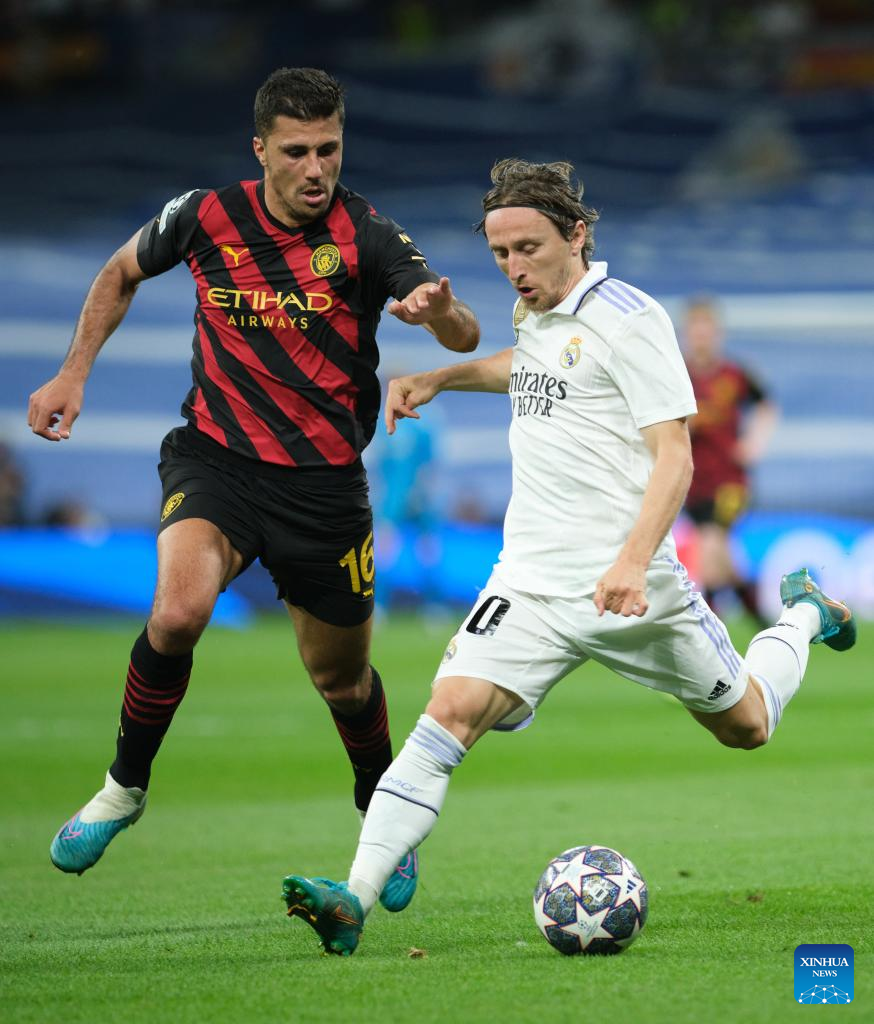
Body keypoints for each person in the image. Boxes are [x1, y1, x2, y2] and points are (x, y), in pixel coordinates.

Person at [280, 158, 855, 955]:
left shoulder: (632, 319)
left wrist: (631, 562)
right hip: (529, 583)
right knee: (447, 715)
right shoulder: (537, 313)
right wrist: (443, 377)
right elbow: (531, 369)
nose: (514, 268)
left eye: (529, 248)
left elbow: (675, 457)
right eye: (500, 254)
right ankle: (355, 899)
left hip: (632, 587)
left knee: (748, 725)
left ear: (576, 235)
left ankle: (804, 613)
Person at [28, 67, 480, 910]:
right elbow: (120, 271)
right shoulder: (206, 216)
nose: (317, 169)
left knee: (343, 682)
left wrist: (439, 313)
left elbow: (465, 330)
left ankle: (382, 813)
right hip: (217, 462)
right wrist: (71, 373)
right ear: (261, 149)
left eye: (330, 149)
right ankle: (122, 789)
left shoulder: (367, 234)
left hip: (324, 490)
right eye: (298, 151)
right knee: (176, 615)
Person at [683, 297, 778, 622]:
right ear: (687, 334)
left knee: (710, 553)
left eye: (706, 330)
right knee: (723, 563)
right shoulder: (678, 375)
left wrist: (754, 442)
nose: (701, 337)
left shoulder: (734, 374)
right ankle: (764, 622)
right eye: (696, 330)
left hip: (730, 481)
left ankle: (711, 636)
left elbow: (766, 405)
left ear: (717, 333)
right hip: (693, 482)